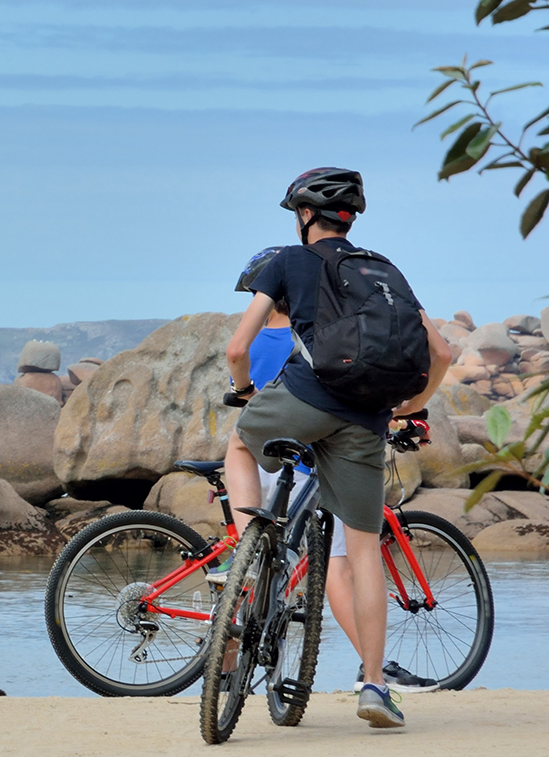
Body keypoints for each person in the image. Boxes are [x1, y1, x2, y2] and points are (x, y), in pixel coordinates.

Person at [223, 168, 451, 729]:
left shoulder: (286, 261)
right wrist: (407, 408)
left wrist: (245, 392)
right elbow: (441, 353)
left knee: (238, 445)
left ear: (304, 215)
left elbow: (237, 348)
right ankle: (374, 687)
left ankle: (252, 546)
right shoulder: (383, 270)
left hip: (304, 398)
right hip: (366, 419)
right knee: (365, 551)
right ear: (350, 218)